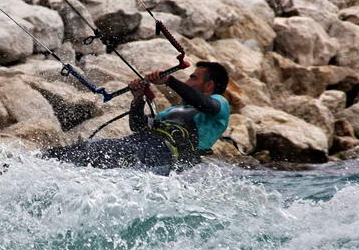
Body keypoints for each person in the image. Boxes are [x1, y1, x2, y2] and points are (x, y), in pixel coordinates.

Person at [44, 62, 230, 173]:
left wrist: (170, 81)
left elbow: (203, 104)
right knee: (75, 152)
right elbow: (139, 126)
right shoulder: (173, 111)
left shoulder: (219, 104)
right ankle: (36, 163)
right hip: (138, 143)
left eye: (193, 78)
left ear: (209, 85)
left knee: (95, 152)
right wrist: (138, 98)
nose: (188, 82)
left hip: (162, 154)